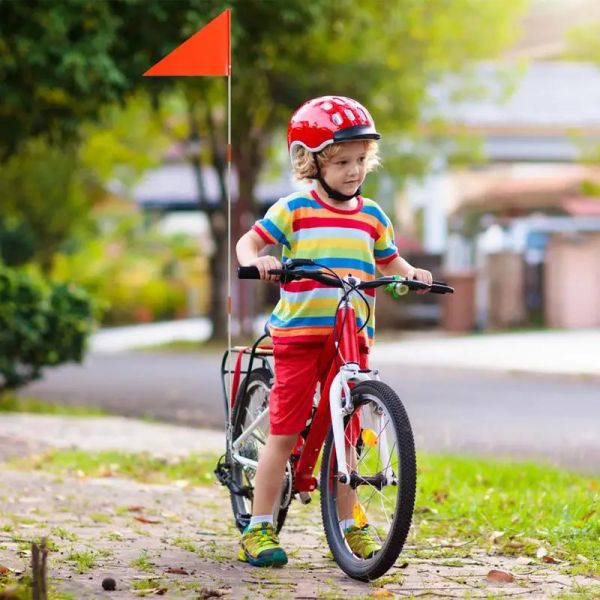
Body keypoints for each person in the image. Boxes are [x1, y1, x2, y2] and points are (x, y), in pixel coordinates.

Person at [235, 95, 432, 567]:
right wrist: (257, 261)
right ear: (310, 161)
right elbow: (250, 241)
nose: (353, 170)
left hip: (352, 336)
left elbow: (390, 261)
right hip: (301, 335)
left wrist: (410, 274)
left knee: (349, 438)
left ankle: (351, 526)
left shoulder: (372, 215)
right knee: (283, 433)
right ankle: (258, 529)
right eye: (341, 161)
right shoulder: (295, 208)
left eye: (361, 160)